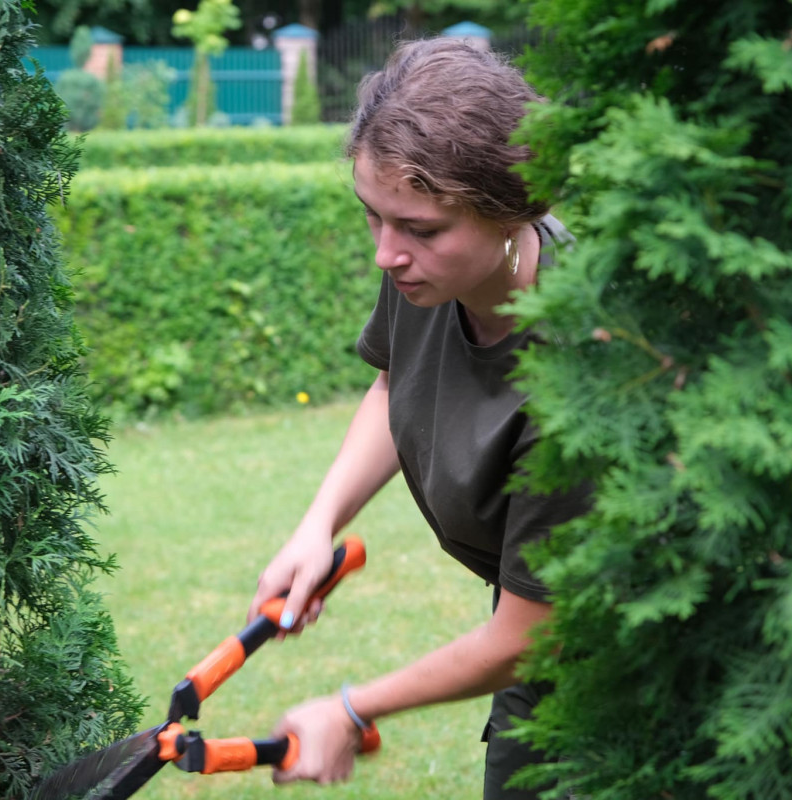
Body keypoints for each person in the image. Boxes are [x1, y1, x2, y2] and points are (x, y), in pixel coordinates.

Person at [246, 37, 590, 799]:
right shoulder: (427, 277)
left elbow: (525, 639)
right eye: (374, 218)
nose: (386, 254)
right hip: (539, 654)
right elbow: (394, 381)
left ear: (515, 210)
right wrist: (317, 523)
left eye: (420, 229)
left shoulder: (582, 369)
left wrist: (349, 708)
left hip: (624, 682)